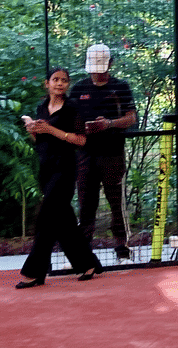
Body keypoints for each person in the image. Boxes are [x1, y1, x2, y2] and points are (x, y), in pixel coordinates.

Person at [17, 68, 103, 288]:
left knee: (45, 219)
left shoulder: (73, 108)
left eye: (64, 80)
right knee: (64, 223)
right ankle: (88, 264)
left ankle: (34, 272)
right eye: (55, 80)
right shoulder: (41, 107)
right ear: (47, 83)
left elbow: (81, 140)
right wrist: (32, 129)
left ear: (67, 84)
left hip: (64, 169)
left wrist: (51, 129)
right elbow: (40, 140)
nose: (60, 83)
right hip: (45, 167)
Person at [70, 43, 137, 263]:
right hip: (84, 155)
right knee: (86, 206)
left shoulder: (121, 87)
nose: (97, 73)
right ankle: (83, 255)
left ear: (110, 64)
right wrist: (82, 128)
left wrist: (109, 124)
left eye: (101, 67)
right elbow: (69, 119)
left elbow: (131, 118)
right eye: (94, 68)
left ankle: (122, 250)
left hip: (112, 153)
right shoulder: (79, 88)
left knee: (116, 203)